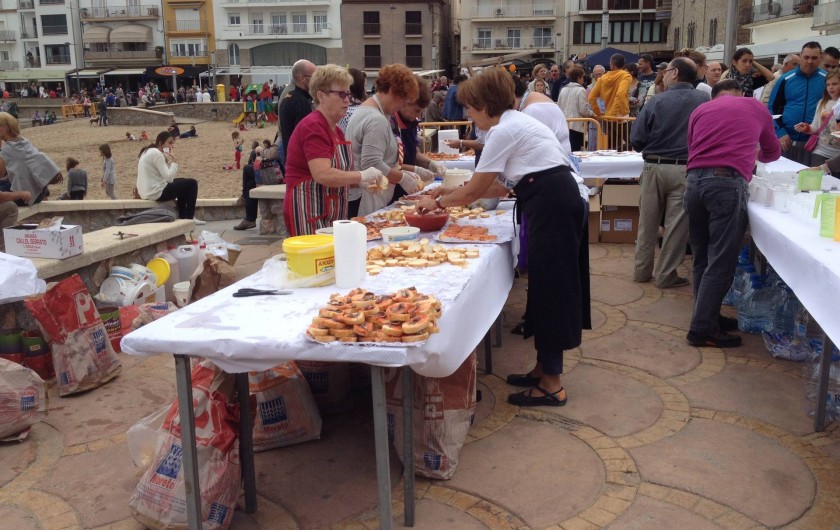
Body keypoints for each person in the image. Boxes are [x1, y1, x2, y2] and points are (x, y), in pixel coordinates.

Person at [416, 68, 590, 407]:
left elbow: (478, 188)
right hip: (553, 197)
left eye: (469, 107)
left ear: (483, 104)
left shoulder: (505, 130)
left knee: (552, 287)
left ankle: (552, 384)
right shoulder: (513, 124)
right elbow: (497, 185)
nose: (466, 113)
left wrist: (437, 200)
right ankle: (543, 369)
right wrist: (445, 197)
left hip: (552, 202)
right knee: (543, 284)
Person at [683, 79, 780, 347]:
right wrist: (751, 149)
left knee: (702, 255)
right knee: (721, 259)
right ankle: (702, 327)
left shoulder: (701, 110)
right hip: (726, 183)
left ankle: (706, 315)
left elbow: (693, 147)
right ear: (741, 94)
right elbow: (772, 152)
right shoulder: (755, 107)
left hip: (693, 181)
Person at [631, 57, 709, 289]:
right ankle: (666, 274)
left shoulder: (657, 101)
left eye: (665, 71)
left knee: (648, 222)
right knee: (677, 225)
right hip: (686, 168)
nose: (662, 74)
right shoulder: (704, 99)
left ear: (674, 73)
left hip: (654, 166)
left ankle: (641, 271)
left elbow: (637, 140)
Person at [283, 64, 385, 235]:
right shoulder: (314, 126)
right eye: (341, 94)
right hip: (308, 210)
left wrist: (360, 183)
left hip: (330, 211)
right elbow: (323, 174)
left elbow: (338, 174)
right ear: (321, 96)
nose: (347, 100)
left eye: (349, 94)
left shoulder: (336, 130)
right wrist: (362, 175)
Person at [346, 63, 421, 216]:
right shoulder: (376, 119)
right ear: (392, 92)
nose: (401, 107)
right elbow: (372, 163)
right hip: (365, 197)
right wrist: (402, 178)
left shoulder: (370, 111)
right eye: (403, 100)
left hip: (364, 194)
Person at [768, 41, 826, 165]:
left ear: (820, 58)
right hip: (786, 141)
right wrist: (780, 132)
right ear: (801, 56)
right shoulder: (785, 79)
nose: (810, 61)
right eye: (806, 57)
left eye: (814, 58)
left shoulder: (827, 80)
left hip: (815, 144)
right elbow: (772, 108)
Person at [389, 76, 446, 203]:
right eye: (416, 110)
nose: (418, 116)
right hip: (390, 187)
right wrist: (416, 169)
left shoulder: (411, 122)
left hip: (408, 186)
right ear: (404, 102)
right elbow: (386, 164)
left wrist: (430, 164)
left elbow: (414, 153)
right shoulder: (388, 123)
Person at [0, 112, 62, 205]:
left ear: (8, 127)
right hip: (38, 193)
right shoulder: (23, 141)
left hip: (24, 197)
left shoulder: (7, 150)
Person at [136, 131, 199, 221]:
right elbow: (169, 178)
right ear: (160, 143)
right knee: (192, 183)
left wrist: (166, 160)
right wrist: (174, 161)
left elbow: (163, 174)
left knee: (183, 182)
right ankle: (189, 218)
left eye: (173, 143)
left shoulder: (148, 151)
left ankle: (183, 217)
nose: (171, 146)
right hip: (156, 193)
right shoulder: (157, 154)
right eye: (169, 143)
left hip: (146, 191)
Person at [794, 70, 840, 168]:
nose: (830, 87)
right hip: (821, 151)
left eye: (835, 84)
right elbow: (815, 127)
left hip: (838, 155)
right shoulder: (822, 103)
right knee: (818, 179)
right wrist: (806, 128)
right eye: (828, 84)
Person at [279, 59, 317, 159]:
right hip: (299, 162)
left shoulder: (288, 96)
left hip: (290, 157)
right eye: (314, 77)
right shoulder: (301, 102)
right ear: (302, 78)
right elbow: (305, 137)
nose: (316, 81)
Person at [557, 66, 594, 152]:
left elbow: (559, 106)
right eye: (582, 77)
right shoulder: (581, 90)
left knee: (566, 152)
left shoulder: (563, 89)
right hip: (577, 126)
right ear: (579, 78)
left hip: (564, 125)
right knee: (576, 152)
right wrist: (592, 113)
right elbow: (583, 110)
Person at [589, 54, 633, 118]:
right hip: (621, 116)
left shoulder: (602, 78)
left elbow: (591, 98)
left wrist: (598, 113)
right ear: (623, 64)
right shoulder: (626, 76)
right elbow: (621, 94)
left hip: (607, 116)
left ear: (612, 65)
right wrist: (615, 112)